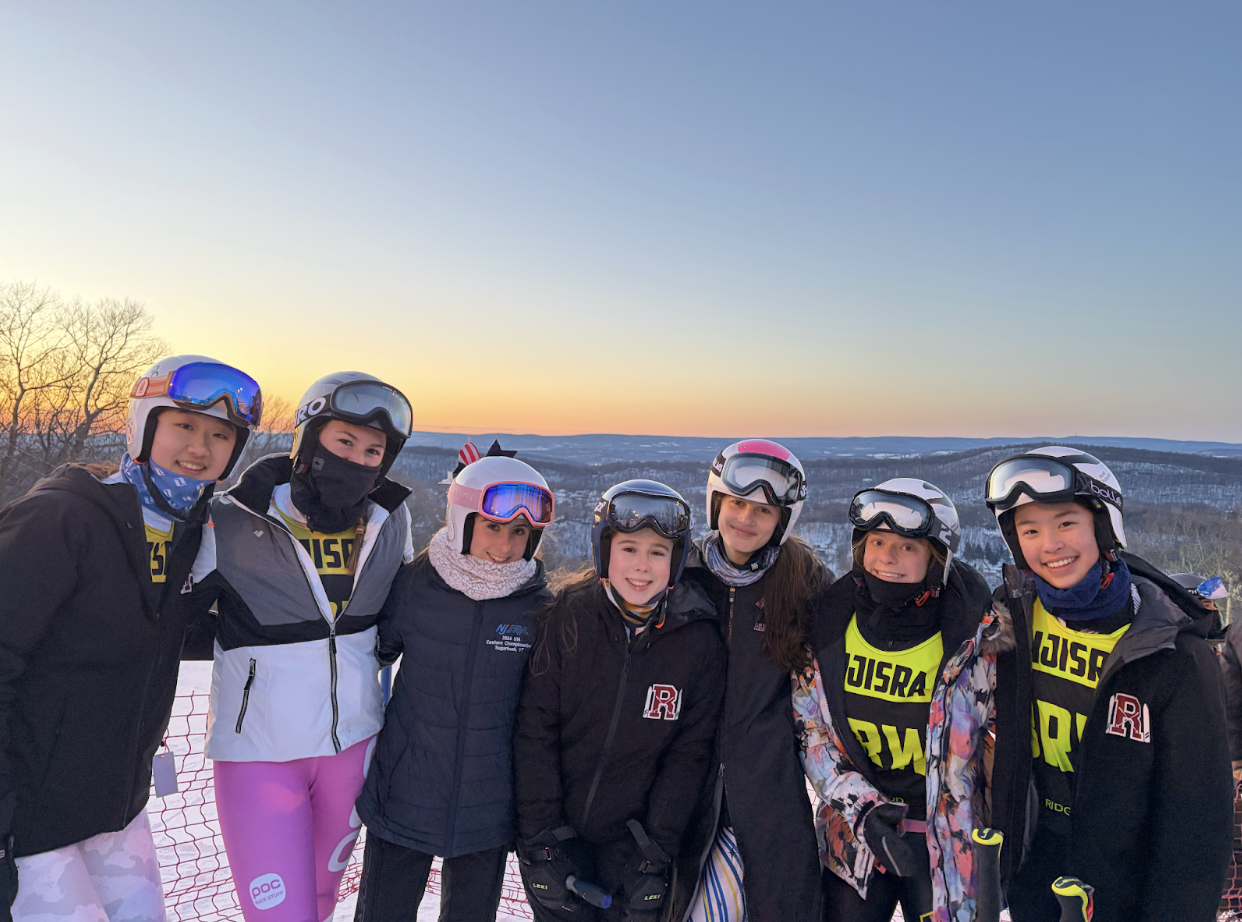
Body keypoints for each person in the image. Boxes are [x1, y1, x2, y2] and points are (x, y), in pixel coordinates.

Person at [0, 355, 262, 922]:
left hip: (116, 804)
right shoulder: (61, 517)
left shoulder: (189, 530)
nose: (200, 447)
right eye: (184, 425)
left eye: (220, 435)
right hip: (30, 814)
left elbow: (152, 634)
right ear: (144, 426)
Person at [191, 371, 414, 922]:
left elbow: (406, 611)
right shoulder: (230, 519)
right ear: (310, 440)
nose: (357, 460)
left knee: (319, 904)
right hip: (260, 754)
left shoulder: (391, 520)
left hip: (354, 745)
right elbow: (167, 614)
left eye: (372, 452)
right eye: (344, 442)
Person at [984, 447, 1233, 922]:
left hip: (1125, 878)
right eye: (1030, 530)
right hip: (1035, 861)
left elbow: (1198, 819)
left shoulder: (1170, 652)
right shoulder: (1013, 621)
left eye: (1066, 523)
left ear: (1103, 526)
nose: (1049, 545)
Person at [792, 479, 1010, 922]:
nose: (887, 557)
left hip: (948, 848)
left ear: (936, 559)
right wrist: (864, 812)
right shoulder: (827, 625)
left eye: (907, 547)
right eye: (877, 542)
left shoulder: (976, 639)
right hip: (854, 840)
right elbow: (812, 734)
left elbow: (1004, 742)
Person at [353, 442, 554, 922]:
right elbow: (365, 656)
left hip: (487, 809)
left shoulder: (538, 607)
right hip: (404, 794)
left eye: (519, 532)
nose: (505, 546)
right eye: (492, 527)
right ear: (463, 521)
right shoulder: (415, 586)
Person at [514, 480, 726, 922]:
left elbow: (688, 755)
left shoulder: (698, 643)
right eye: (629, 548)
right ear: (604, 551)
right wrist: (540, 841)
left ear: (676, 561)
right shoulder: (570, 617)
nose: (642, 566)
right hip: (558, 835)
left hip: (633, 848)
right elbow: (535, 730)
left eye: (658, 552)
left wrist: (655, 852)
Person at [679, 439, 831, 922]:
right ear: (716, 503)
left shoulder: (804, 580)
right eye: (737, 503)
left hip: (770, 791)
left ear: (783, 520)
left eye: (763, 510)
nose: (746, 519)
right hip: (681, 786)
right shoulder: (681, 572)